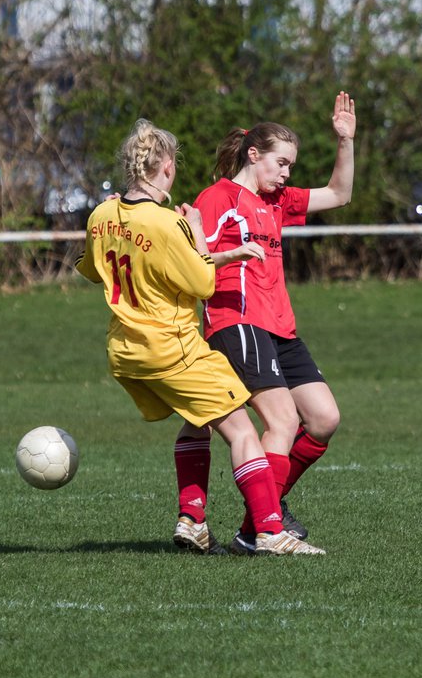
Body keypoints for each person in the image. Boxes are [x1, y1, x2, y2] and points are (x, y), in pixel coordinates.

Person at [75, 118, 325, 556]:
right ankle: (267, 531)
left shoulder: (101, 214)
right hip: (171, 348)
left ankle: (192, 519)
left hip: (124, 353)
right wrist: (194, 233)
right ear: (167, 167)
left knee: (198, 417)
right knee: (245, 431)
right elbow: (203, 284)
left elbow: (92, 268)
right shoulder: (169, 224)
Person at [173, 92, 356, 555]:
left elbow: (339, 194)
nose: (286, 174)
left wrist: (345, 141)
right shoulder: (218, 198)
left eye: (291, 166)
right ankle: (265, 529)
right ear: (253, 155)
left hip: (280, 328)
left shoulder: (277, 202)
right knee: (282, 419)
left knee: (324, 419)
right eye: (281, 163)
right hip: (238, 322)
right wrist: (230, 253)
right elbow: (194, 260)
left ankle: (261, 518)